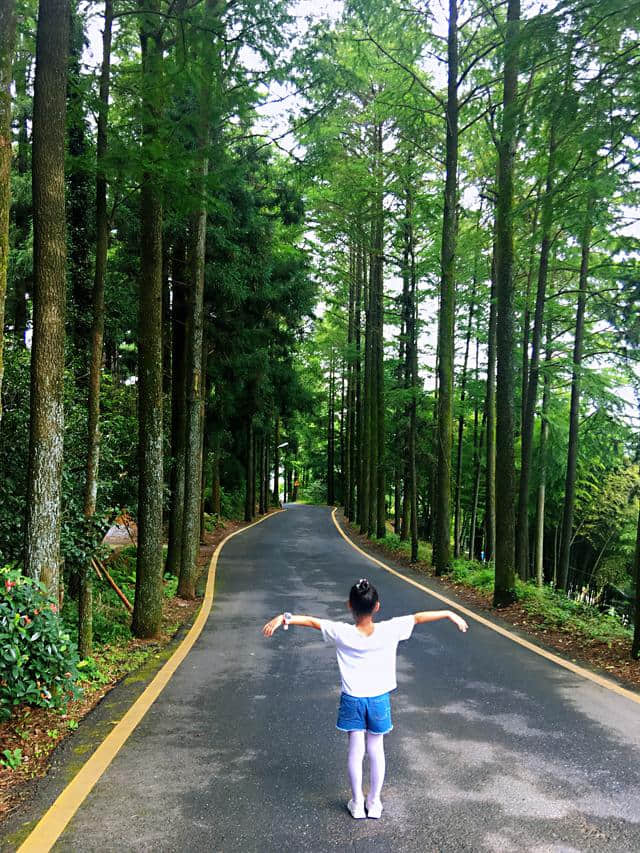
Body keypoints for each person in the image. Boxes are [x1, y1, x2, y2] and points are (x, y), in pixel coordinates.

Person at [262, 577, 468, 820]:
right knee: (376, 749)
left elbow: (311, 621)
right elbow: (418, 617)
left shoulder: (341, 632)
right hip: (378, 700)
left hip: (353, 700)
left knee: (355, 749)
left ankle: (358, 803)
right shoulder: (390, 629)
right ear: (377, 606)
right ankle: (375, 802)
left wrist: (284, 617)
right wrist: (448, 613)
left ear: (350, 605)